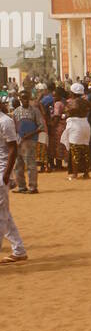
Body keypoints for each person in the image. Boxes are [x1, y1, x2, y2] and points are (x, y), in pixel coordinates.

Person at [0, 100, 27, 262]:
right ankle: (19, 250)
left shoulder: (5, 122)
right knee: (4, 214)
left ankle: (19, 250)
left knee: (1, 215)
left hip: (2, 170)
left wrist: (7, 174)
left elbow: (13, 149)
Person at [11, 89, 46, 193]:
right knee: (18, 164)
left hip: (30, 141)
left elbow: (41, 126)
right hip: (19, 140)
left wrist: (30, 134)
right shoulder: (16, 111)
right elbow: (13, 125)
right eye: (23, 98)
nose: (25, 100)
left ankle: (33, 187)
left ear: (29, 98)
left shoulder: (35, 111)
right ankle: (21, 186)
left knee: (30, 164)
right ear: (20, 99)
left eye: (27, 98)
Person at [61, 91, 91, 179]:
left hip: (75, 126)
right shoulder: (85, 102)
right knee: (85, 150)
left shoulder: (71, 103)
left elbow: (66, 112)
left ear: (72, 93)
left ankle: (75, 174)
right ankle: (86, 173)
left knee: (75, 151)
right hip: (85, 124)